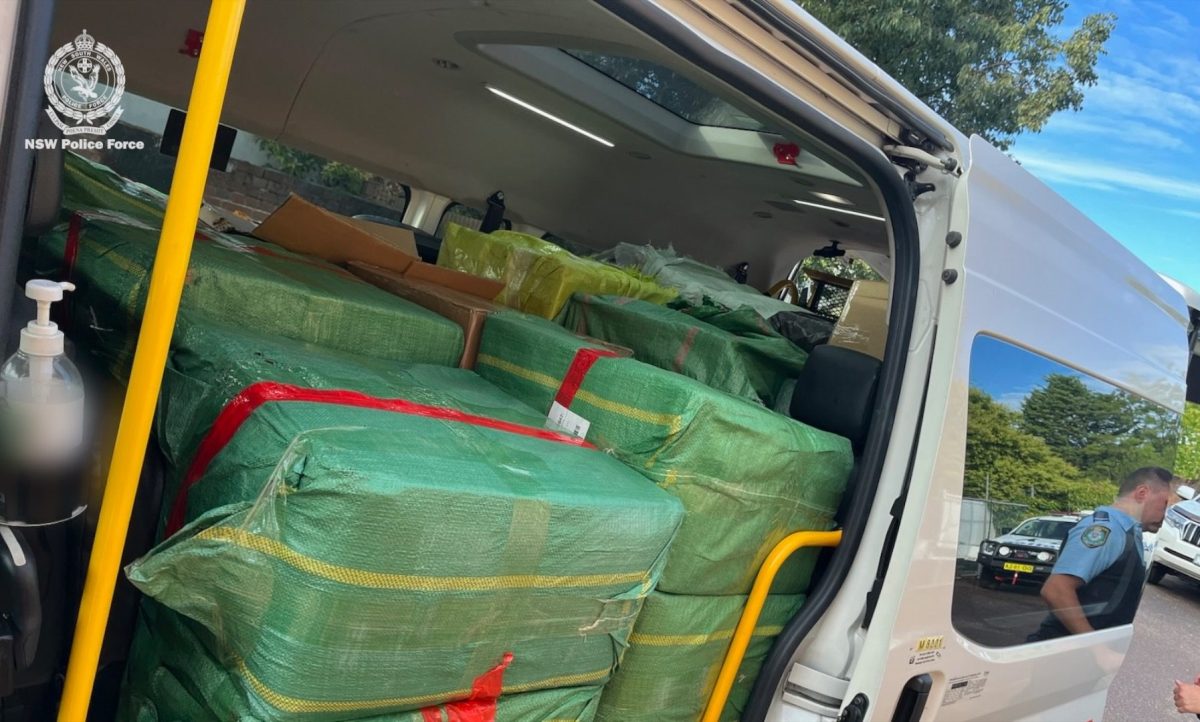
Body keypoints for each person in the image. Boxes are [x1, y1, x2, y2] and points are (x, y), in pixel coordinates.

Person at [1027, 467, 1173, 642]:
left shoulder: (1126, 532)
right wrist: (1094, 646)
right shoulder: (1106, 530)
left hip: (1073, 652)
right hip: (1061, 652)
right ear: (1142, 493)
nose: (1165, 515)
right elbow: (1056, 589)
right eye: (1164, 505)